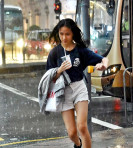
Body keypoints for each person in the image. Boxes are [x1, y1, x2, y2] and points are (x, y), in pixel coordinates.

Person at [46, 18, 108, 148]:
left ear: (73, 33)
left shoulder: (80, 51)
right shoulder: (54, 53)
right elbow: (50, 78)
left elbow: (103, 59)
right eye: (61, 34)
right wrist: (59, 70)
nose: (64, 37)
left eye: (67, 34)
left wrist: (103, 65)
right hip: (63, 92)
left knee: (82, 126)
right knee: (72, 133)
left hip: (79, 88)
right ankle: (78, 144)